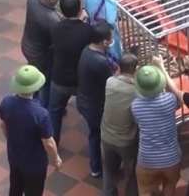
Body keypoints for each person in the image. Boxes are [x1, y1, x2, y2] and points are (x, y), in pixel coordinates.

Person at [0, 65, 62, 196]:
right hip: (35, 164)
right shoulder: (40, 114)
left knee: (15, 188)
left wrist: (12, 140)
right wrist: (56, 159)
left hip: (14, 156)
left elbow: (2, 125)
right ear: (36, 87)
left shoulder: (6, 102)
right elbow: (49, 143)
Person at [132, 56, 182, 196]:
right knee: (170, 186)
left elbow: (137, 122)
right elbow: (178, 96)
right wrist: (161, 67)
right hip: (171, 157)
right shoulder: (170, 100)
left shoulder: (136, 105)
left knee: (144, 190)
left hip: (147, 159)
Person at [20, 0, 69, 111]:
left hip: (28, 45)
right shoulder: (49, 18)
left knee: (34, 73)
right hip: (40, 54)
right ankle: (42, 108)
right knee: (44, 81)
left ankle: (32, 98)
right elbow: (63, 27)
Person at [48, 0, 92, 146]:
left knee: (54, 110)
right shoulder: (88, 31)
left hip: (59, 78)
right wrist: (83, 22)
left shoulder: (55, 29)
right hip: (81, 80)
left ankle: (54, 142)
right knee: (89, 111)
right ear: (80, 9)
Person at [77, 19, 114, 178]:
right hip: (95, 107)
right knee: (99, 136)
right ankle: (99, 166)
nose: (112, 41)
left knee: (93, 133)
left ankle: (96, 166)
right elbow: (110, 83)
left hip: (84, 101)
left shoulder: (86, 50)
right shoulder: (100, 62)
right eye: (111, 39)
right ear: (104, 41)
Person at [101, 52, 139, 196]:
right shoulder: (137, 91)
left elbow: (116, 75)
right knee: (132, 173)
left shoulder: (109, 82)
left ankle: (108, 193)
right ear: (135, 69)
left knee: (108, 172)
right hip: (126, 141)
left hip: (106, 137)